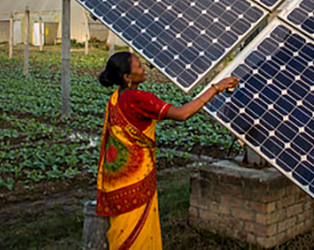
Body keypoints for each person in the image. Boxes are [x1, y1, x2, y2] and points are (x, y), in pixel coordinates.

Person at [95, 51, 239, 249]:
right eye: (138, 66)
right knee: (137, 240)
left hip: (118, 182)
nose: (143, 67)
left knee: (123, 234)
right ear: (127, 77)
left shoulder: (116, 98)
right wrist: (215, 88)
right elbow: (182, 113)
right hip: (136, 182)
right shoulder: (138, 99)